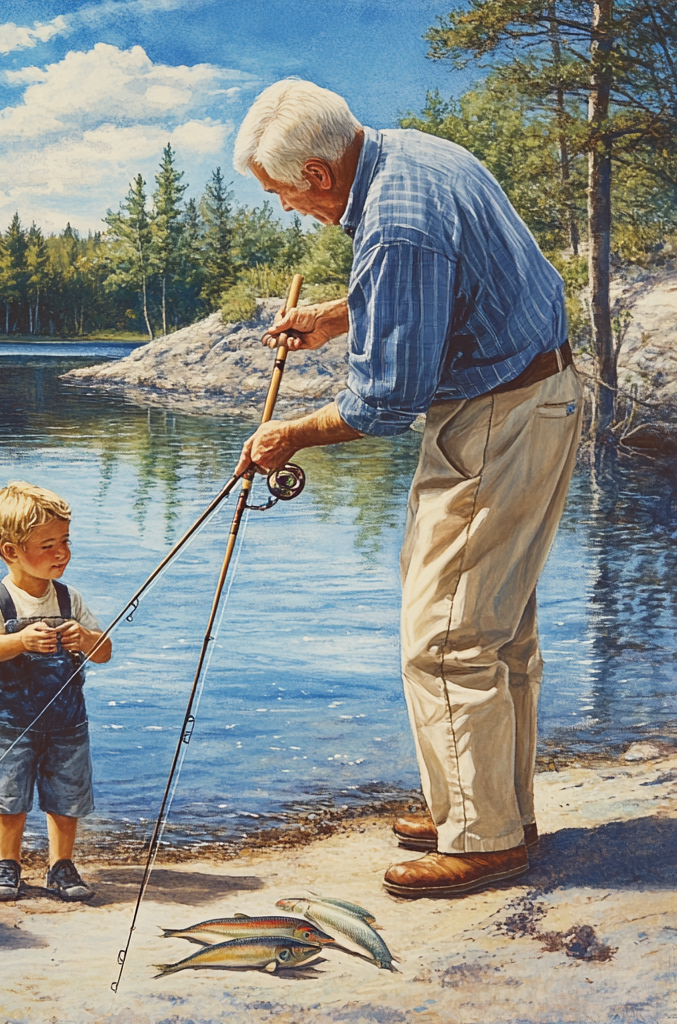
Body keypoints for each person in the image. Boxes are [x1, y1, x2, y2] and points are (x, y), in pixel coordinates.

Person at [233, 79, 583, 897]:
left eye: (282, 191)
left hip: (498, 416)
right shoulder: (416, 155)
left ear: (319, 173)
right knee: (495, 627)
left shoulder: (393, 221)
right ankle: (489, 803)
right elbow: (439, 283)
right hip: (532, 397)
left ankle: (484, 838)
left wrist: (289, 434)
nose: (286, 207)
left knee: (448, 635)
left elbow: (384, 402)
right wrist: (337, 313)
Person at [0, 481, 112, 902]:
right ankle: (7, 863)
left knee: (65, 795)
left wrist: (85, 638)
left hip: (68, 722)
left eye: (65, 542)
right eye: (48, 544)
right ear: (10, 551)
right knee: (7, 794)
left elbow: (104, 651)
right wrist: (20, 642)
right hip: (10, 722)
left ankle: (61, 864)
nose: (61, 553)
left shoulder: (70, 598)